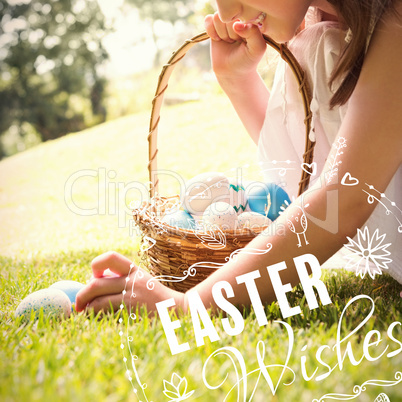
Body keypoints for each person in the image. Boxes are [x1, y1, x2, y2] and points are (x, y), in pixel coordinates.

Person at [75, 0, 402, 315]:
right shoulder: (321, 32)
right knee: (314, 45)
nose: (226, 12)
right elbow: (308, 174)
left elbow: (343, 197)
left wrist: (188, 305)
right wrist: (237, 80)